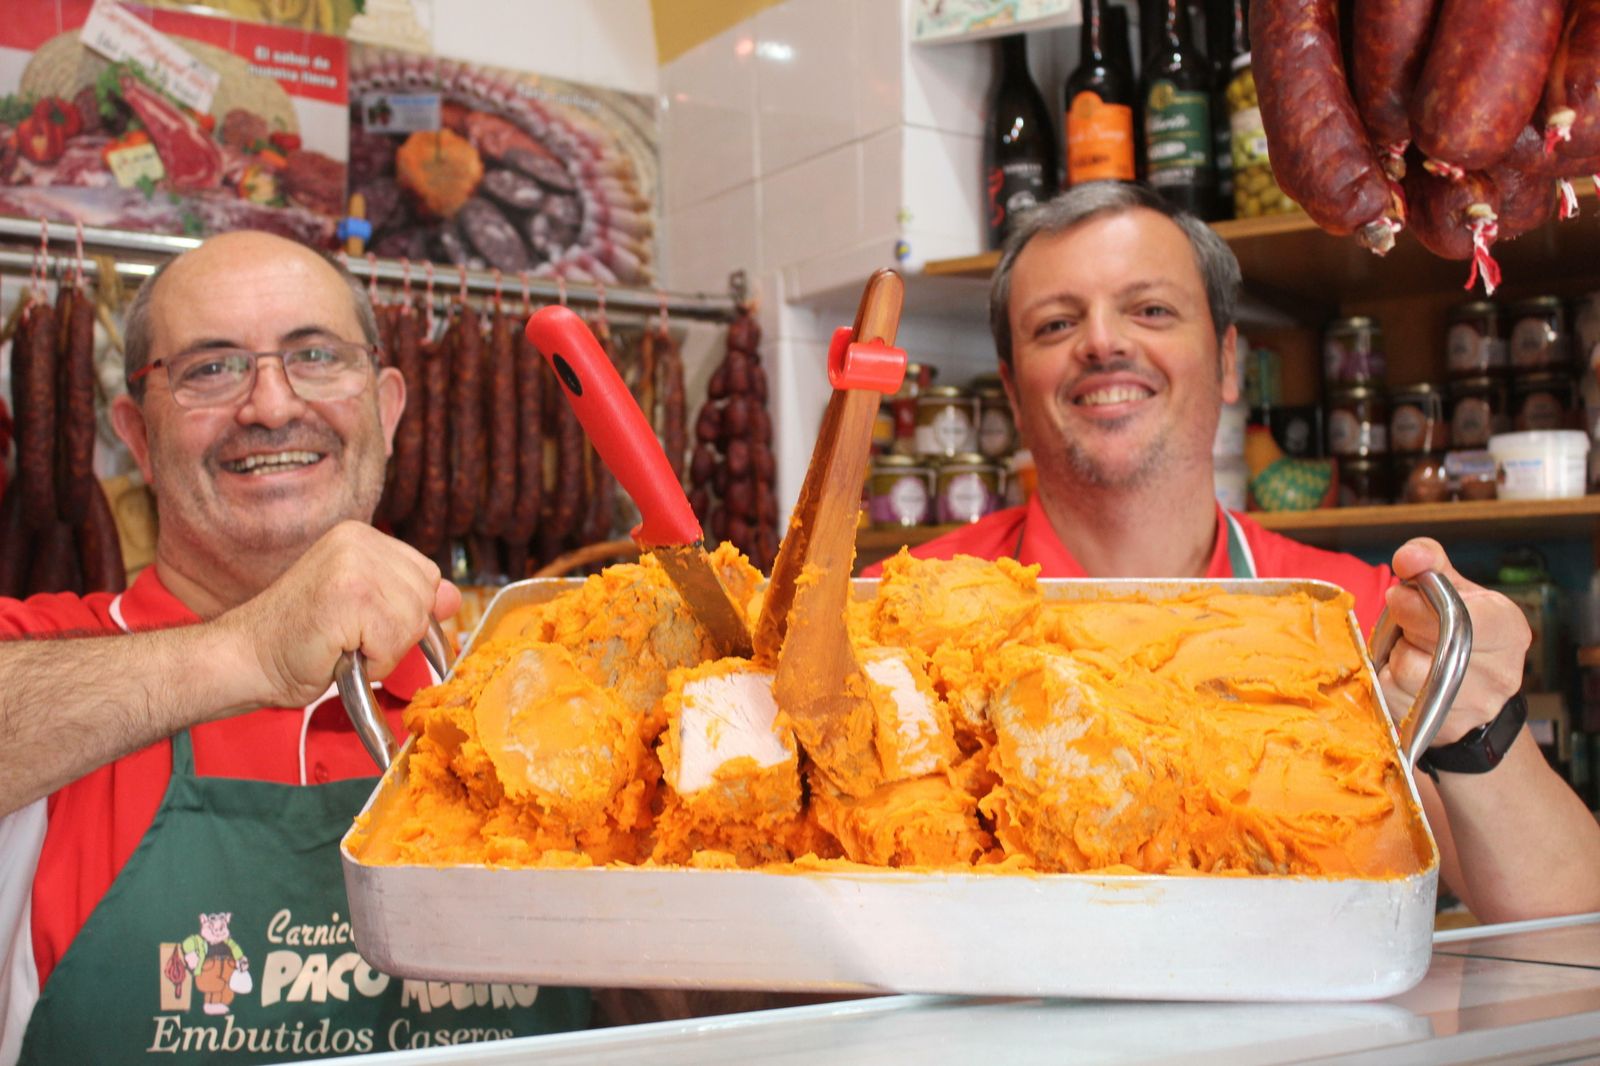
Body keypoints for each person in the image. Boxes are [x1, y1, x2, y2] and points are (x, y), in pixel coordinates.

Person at [878, 182, 1600, 923]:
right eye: (1057, 323)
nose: (1102, 342)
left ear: (1228, 362)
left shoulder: (1358, 619)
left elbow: (1571, 922)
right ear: (1011, 389)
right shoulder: (896, 614)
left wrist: (1476, 725)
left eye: (1150, 310)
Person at [0, 232, 591, 1063]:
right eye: (210, 368)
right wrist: (251, 654)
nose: (272, 405)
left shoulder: (530, 706)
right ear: (135, 432)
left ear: (386, 408)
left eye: (315, 356)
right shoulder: (43, 662)